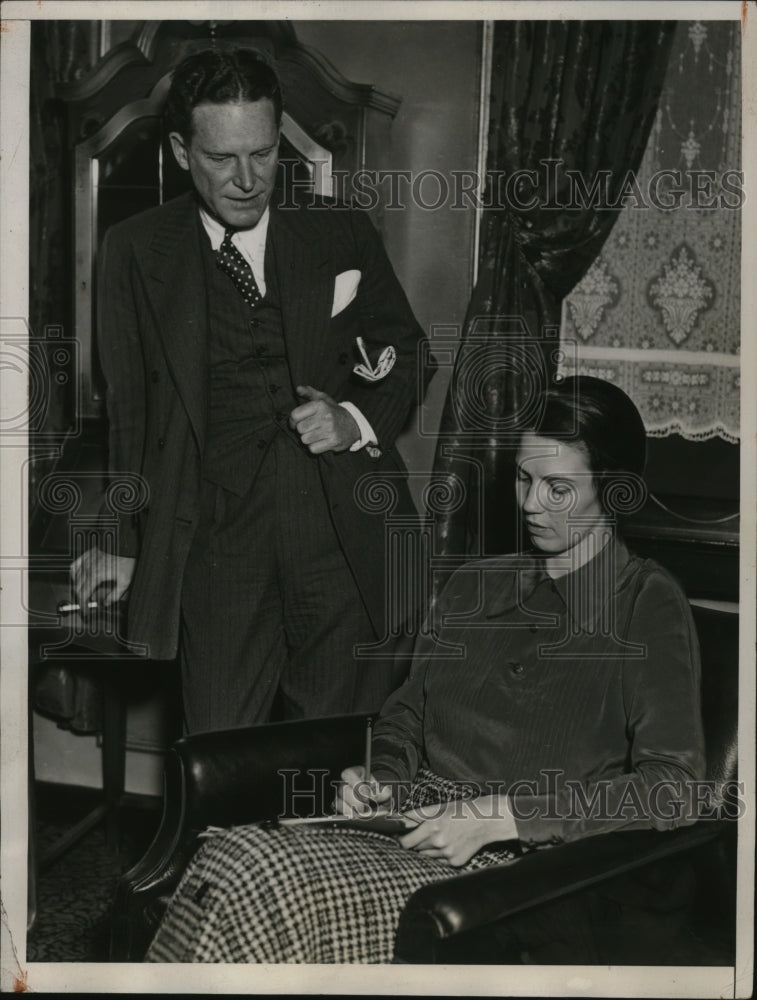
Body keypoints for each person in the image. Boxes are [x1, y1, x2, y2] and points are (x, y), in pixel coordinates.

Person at [145, 376, 706, 964]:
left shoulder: (644, 601)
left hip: (519, 870)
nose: (531, 504)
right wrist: (381, 777)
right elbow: (405, 715)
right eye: (523, 477)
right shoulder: (476, 584)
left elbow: (676, 790)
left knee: (255, 872)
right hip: (411, 828)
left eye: (558, 488)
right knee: (235, 854)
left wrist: (504, 816)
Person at [71, 48, 430, 733]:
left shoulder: (338, 229)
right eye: (221, 158)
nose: (245, 180)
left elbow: (405, 349)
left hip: (337, 532)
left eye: (262, 155)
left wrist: (353, 417)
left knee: (330, 758)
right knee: (218, 749)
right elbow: (129, 411)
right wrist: (122, 539)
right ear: (182, 151)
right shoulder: (135, 248)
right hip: (215, 538)